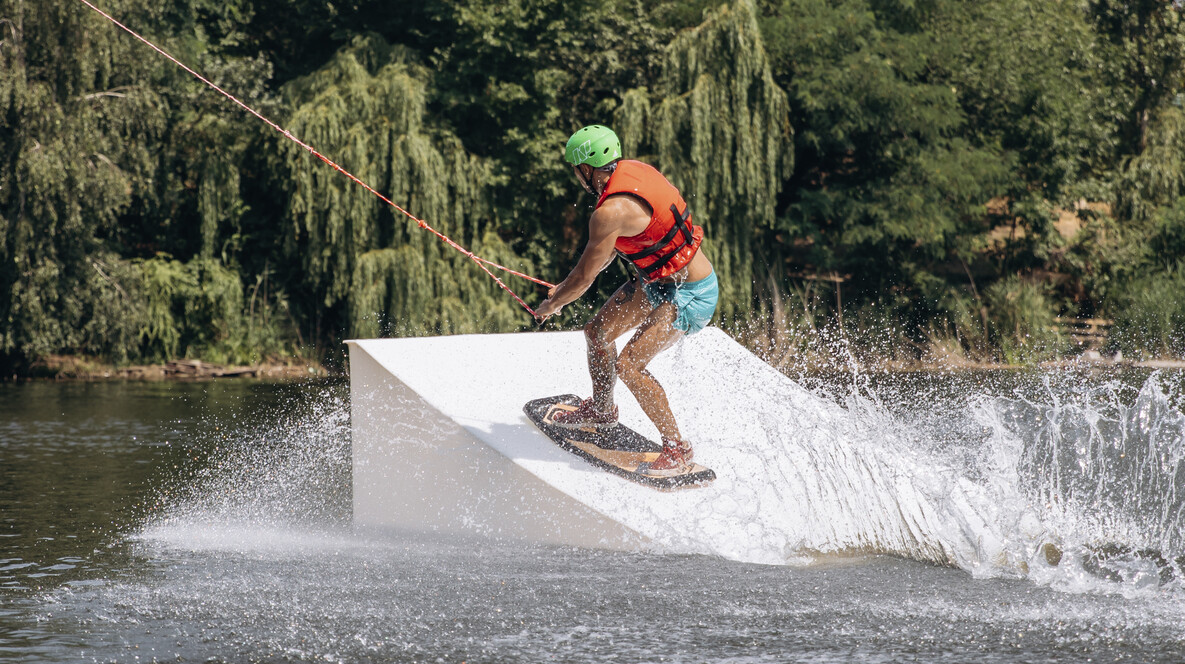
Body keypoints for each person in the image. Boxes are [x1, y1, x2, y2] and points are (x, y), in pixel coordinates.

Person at [533, 125, 719, 477]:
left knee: (630, 364)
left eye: (576, 169)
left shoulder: (609, 212)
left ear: (586, 169)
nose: (576, 177)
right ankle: (602, 412)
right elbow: (598, 261)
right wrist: (564, 288)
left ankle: (677, 448)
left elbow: (586, 277)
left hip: (691, 293)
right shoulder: (634, 172)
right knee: (597, 333)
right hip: (656, 282)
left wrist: (554, 304)